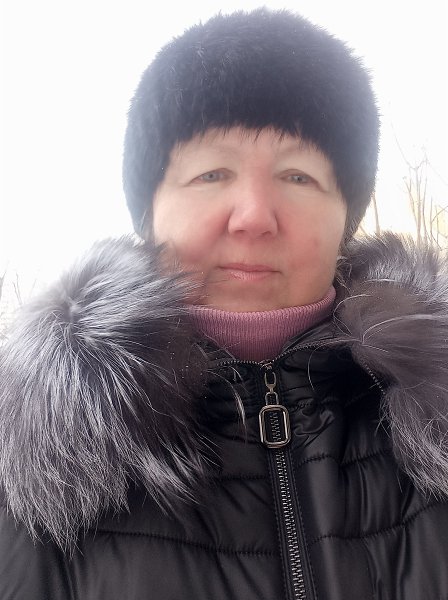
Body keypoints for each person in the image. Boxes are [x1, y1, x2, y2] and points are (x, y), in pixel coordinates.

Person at [1, 8, 448, 600]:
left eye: (298, 176)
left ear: (345, 218)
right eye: (212, 174)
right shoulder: (31, 455)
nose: (254, 217)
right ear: (149, 215)